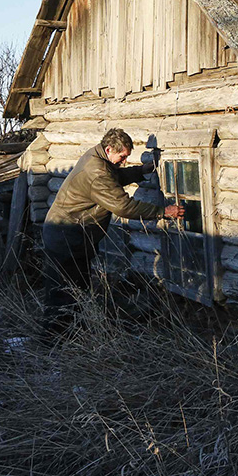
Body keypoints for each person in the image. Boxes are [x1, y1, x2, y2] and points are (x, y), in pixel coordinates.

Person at [41, 128, 184, 337]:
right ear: (109, 149)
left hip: (70, 235)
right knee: (63, 293)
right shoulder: (96, 171)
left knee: (77, 289)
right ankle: (53, 343)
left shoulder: (99, 158)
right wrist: (162, 211)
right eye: (123, 157)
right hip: (66, 236)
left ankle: (73, 337)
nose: (124, 161)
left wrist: (139, 171)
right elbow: (123, 206)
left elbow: (114, 175)